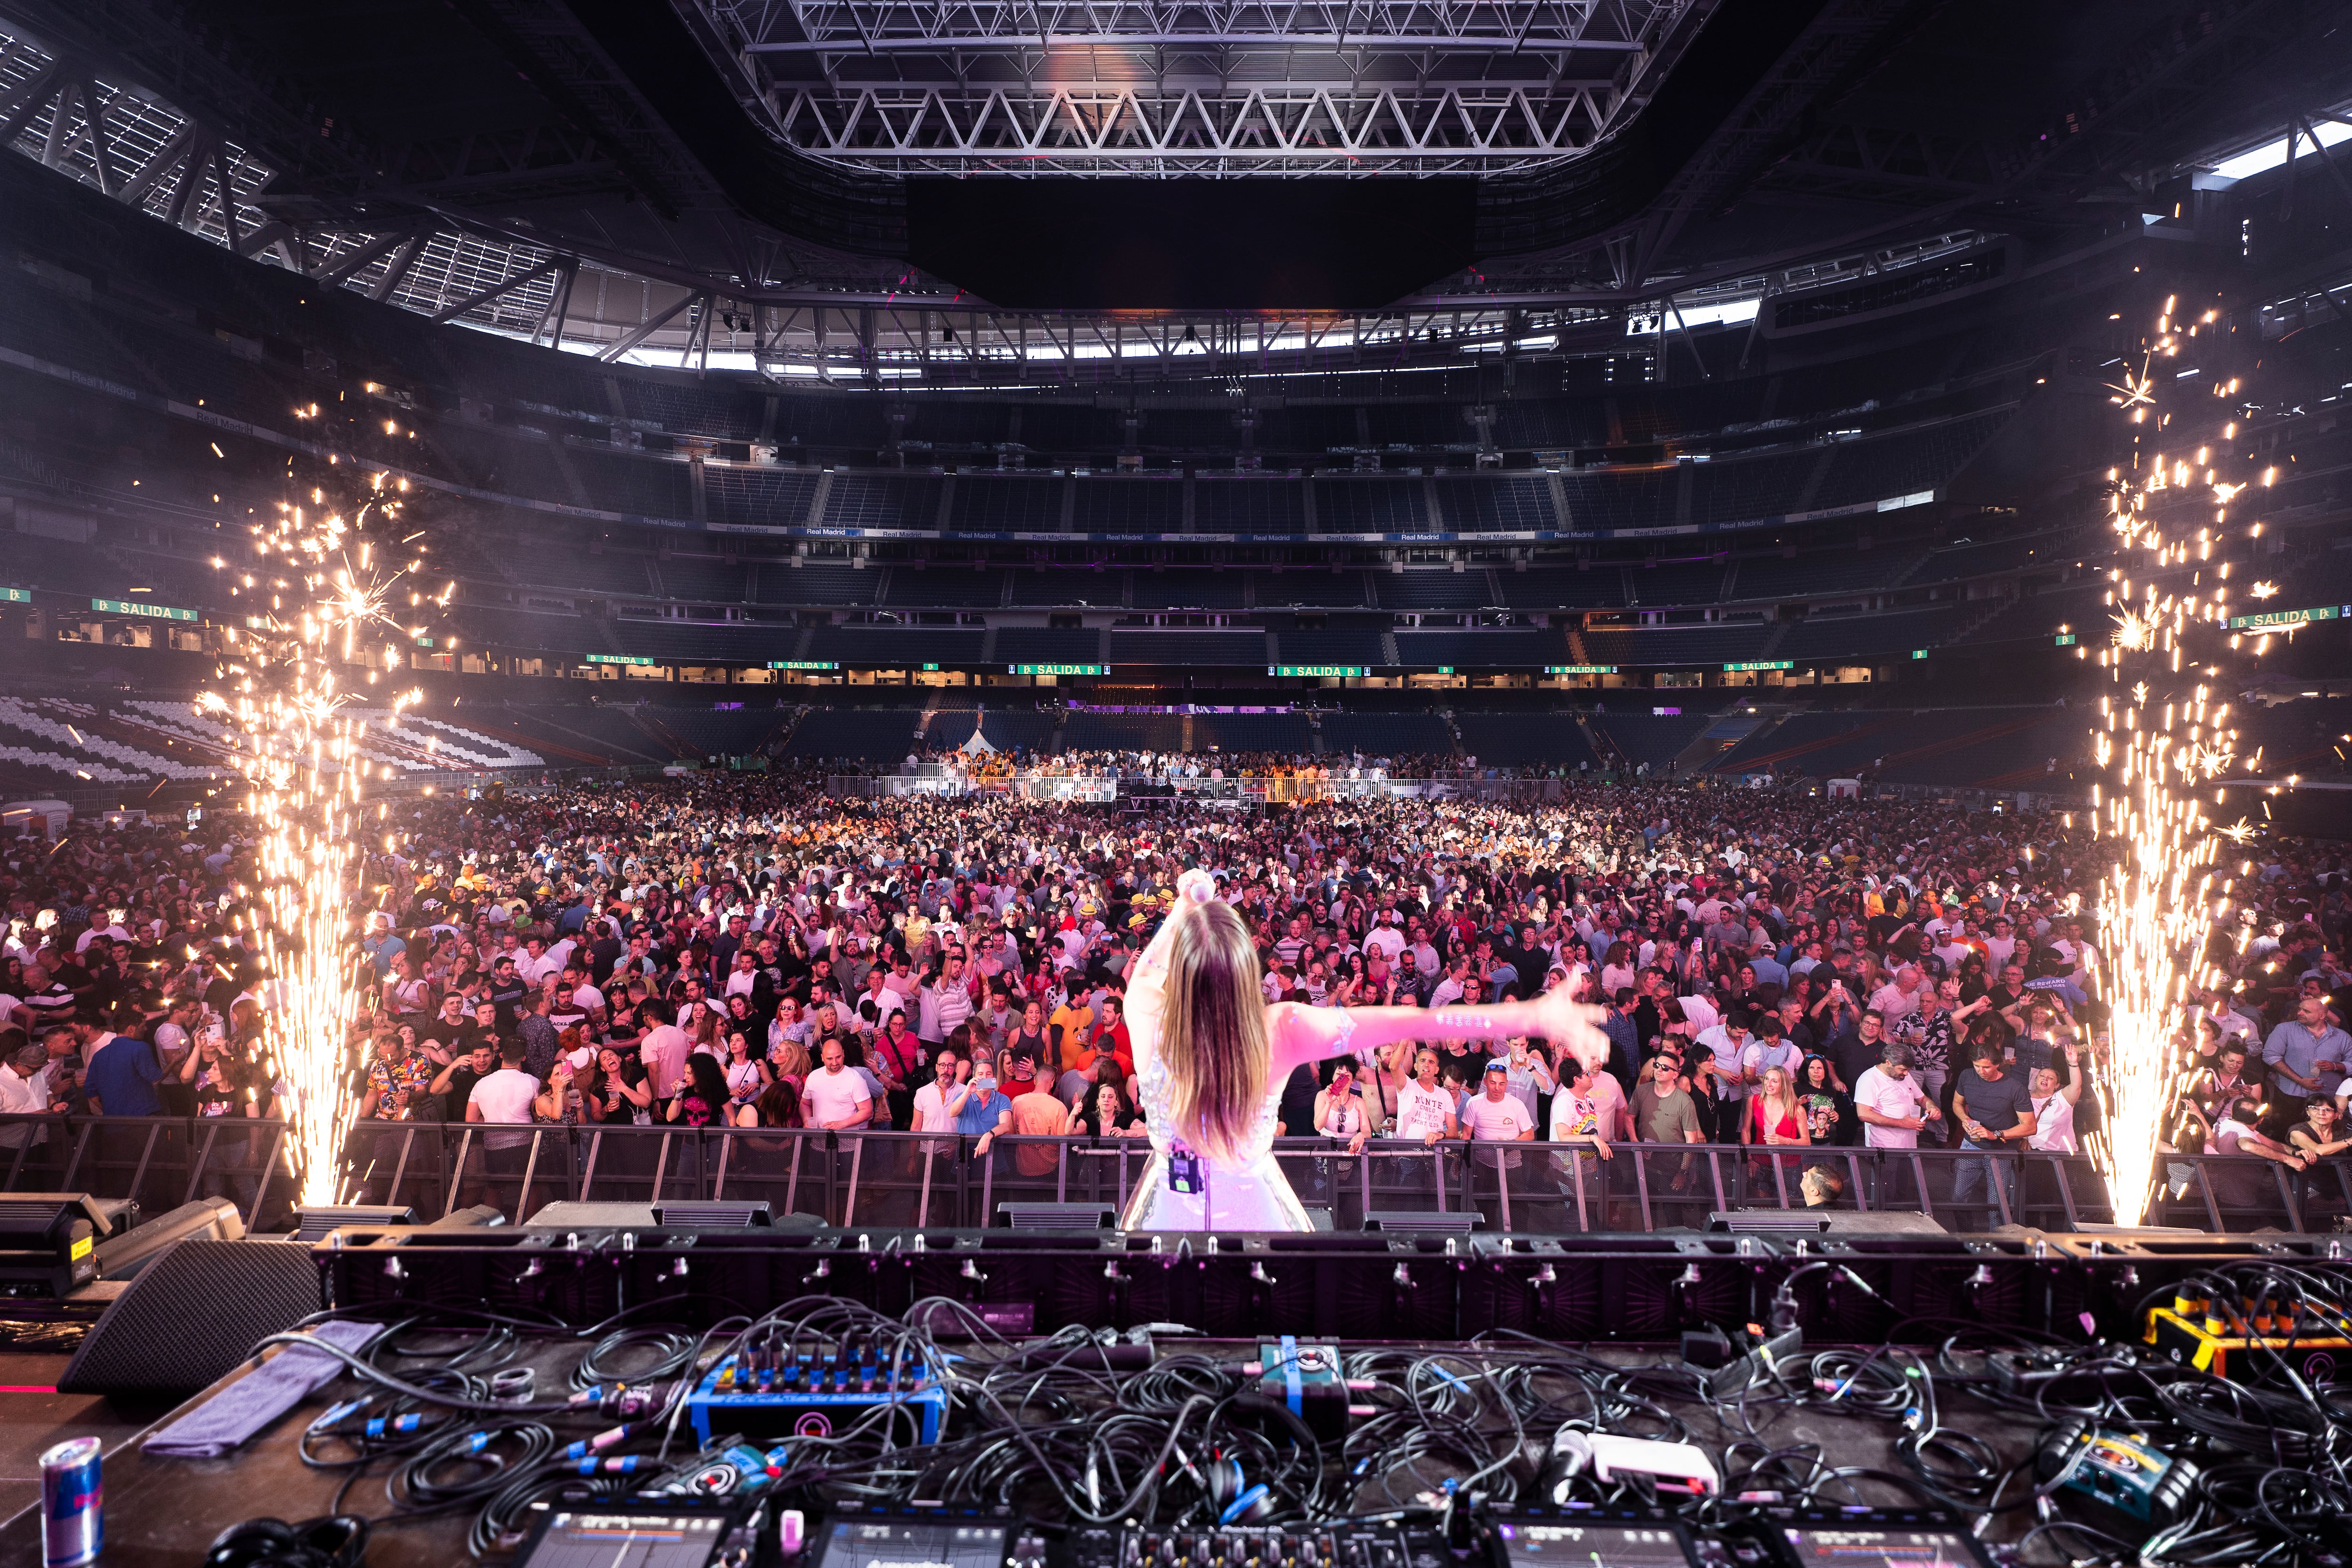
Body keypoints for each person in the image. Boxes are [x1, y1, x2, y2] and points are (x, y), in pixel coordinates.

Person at [1117, 869, 1604, 1231]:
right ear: (1248, 974)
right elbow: (1421, 1020)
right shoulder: (1279, 1030)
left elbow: (1148, 969)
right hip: (1255, 1218)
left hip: (1168, 1212)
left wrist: (1185, 904)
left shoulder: (1146, 1014)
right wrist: (1528, 1017)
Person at [1950, 1038, 2035, 1220]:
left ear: (1998, 1064)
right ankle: (1964, 1239)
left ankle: (1996, 1243)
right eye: (1977, 1066)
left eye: (1986, 1067)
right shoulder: (1966, 1076)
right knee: (1958, 1198)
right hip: (1970, 1145)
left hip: (2002, 1152)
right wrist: (1965, 1118)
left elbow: (2030, 1127)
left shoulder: (2014, 1088)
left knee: (1997, 1204)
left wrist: (1995, 1135)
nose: (1981, 1072)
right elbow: (1957, 1103)